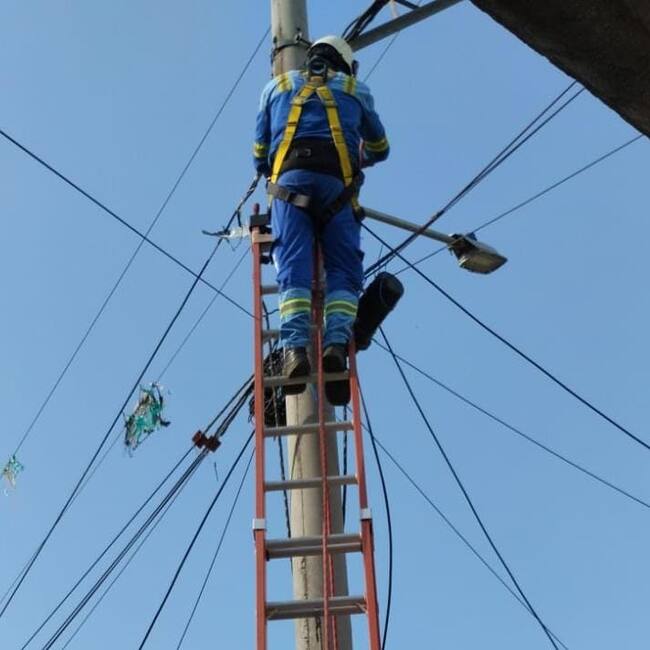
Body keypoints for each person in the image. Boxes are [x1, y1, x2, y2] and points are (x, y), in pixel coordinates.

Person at [253, 35, 389, 404]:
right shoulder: (355, 90)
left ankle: (295, 350)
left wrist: (274, 164)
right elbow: (380, 148)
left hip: (289, 185)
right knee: (344, 269)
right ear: (347, 65)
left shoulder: (276, 88)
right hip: (337, 189)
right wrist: (357, 156)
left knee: (292, 267)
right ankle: (335, 346)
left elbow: (260, 153)